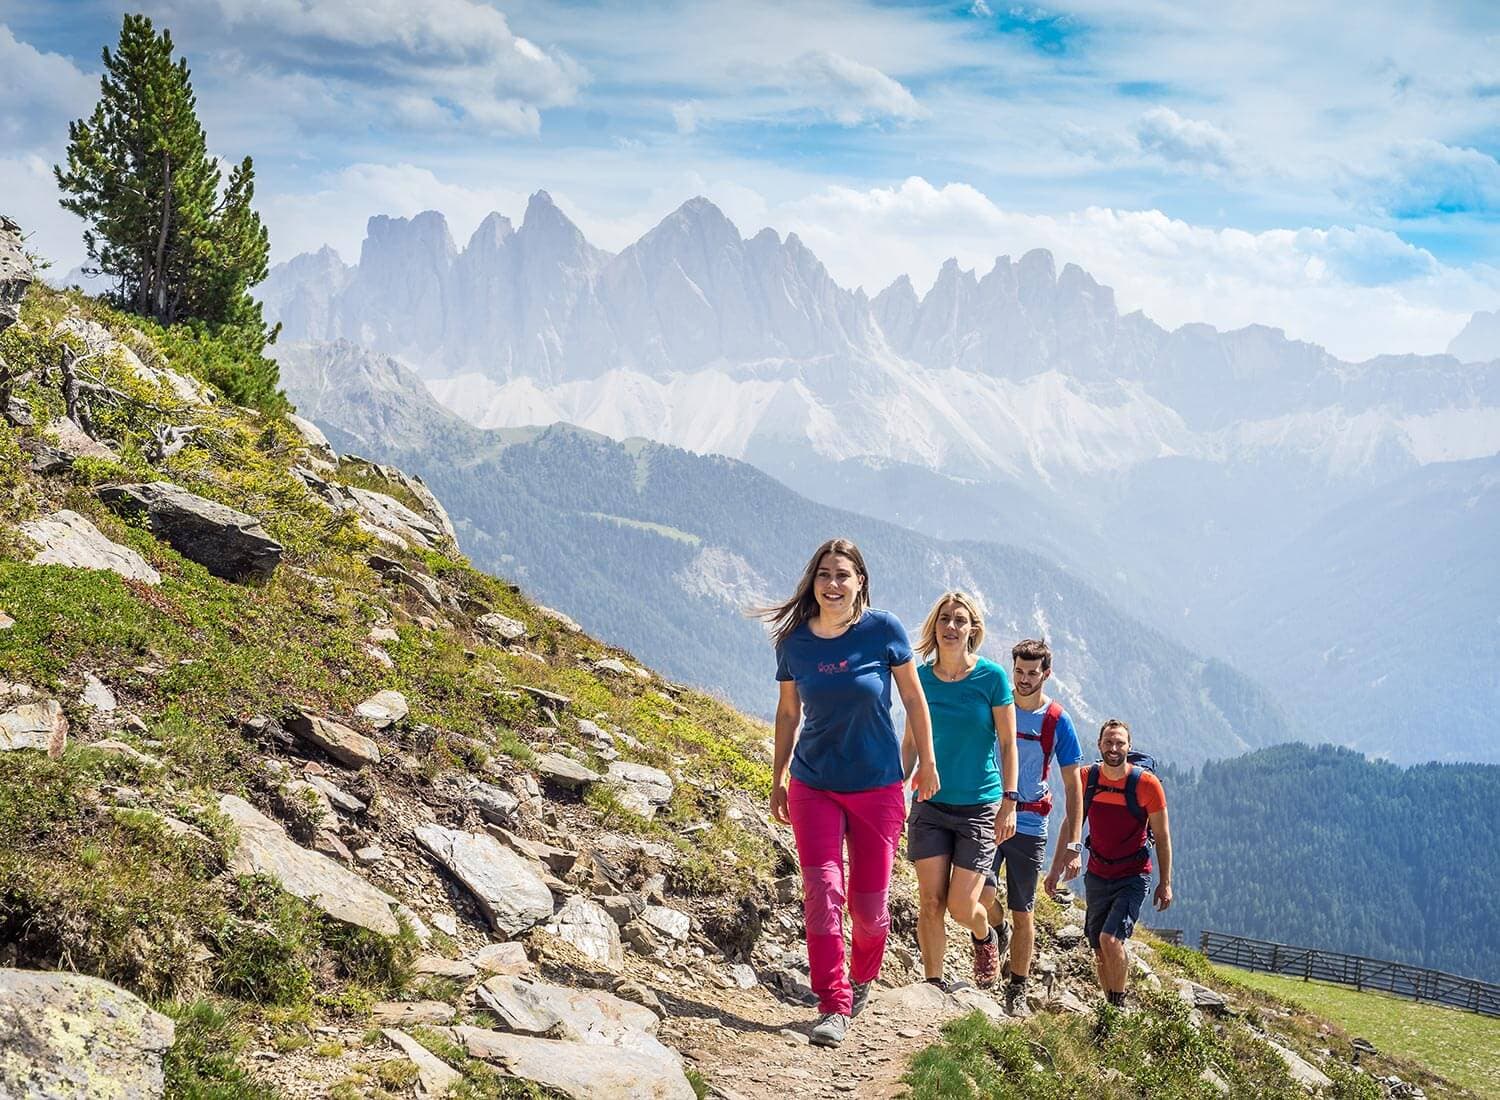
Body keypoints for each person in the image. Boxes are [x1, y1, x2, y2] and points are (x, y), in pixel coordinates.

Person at [759, 538, 938, 1048]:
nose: (832, 584)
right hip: (813, 784)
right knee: (823, 892)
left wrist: (927, 762)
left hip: (877, 786)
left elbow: (912, 697)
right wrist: (777, 777)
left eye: (842, 574)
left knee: (868, 907)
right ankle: (833, 1002)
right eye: (823, 575)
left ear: (860, 580)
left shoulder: (883, 630)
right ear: (812, 582)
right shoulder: (794, 642)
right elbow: (789, 713)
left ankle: (862, 977)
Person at [902, 592, 1018, 991]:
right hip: (930, 804)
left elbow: (1007, 744)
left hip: (979, 808)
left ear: (973, 629)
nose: (951, 627)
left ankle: (986, 936)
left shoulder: (992, 677)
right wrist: (896, 785)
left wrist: (1010, 801)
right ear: (935, 627)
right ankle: (933, 984)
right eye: (944, 619)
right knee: (930, 902)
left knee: (961, 906)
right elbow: (911, 742)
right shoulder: (922, 678)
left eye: (960, 620)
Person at [981, 638, 1084, 1016]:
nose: (1024, 679)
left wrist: (1074, 844)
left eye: (1032, 673)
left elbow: (1074, 787)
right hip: (989, 814)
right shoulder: (997, 704)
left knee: (1024, 911)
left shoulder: (1057, 720)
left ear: (1046, 673)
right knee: (980, 894)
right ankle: (996, 930)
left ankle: (1017, 990)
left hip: (1030, 825)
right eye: (1019, 672)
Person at [1082, 718, 1172, 1009]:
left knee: (1111, 940)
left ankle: (1117, 1007)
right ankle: (1109, 1005)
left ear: (1129, 746)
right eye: (1108, 742)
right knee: (1098, 947)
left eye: (1120, 742)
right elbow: (1073, 824)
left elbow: (1162, 835)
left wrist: (1165, 883)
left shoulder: (1146, 784)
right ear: (1099, 745)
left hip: (1133, 875)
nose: (1114, 747)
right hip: (1097, 873)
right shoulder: (1088, 779)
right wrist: (1059, 866)